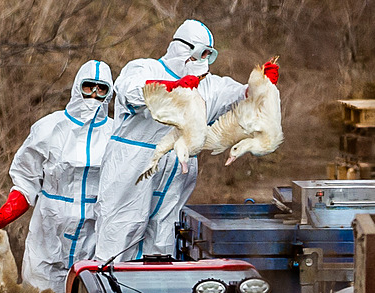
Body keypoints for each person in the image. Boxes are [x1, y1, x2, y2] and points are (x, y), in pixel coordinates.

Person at [94, 19, 279, 262]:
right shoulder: (146, 68)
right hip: (134, 167)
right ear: (183, 49)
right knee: (120, 231)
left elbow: (238, 97)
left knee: (162, 241)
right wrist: (172, 88)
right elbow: (130, 91)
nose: (203, 60)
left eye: (208, 55)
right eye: (200, 52)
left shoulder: (209, 85)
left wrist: (259, 85)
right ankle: (109, 292)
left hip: (176, 172)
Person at [0, 60, 115, 293]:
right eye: (88, 87)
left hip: (94, 236)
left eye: (101, 89)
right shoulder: (49, 128)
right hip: (48, 232)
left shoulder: (116, 135)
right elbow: (27, 182)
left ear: (110, 93)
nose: (93, 95)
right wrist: (4, 216)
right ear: (77, 87)